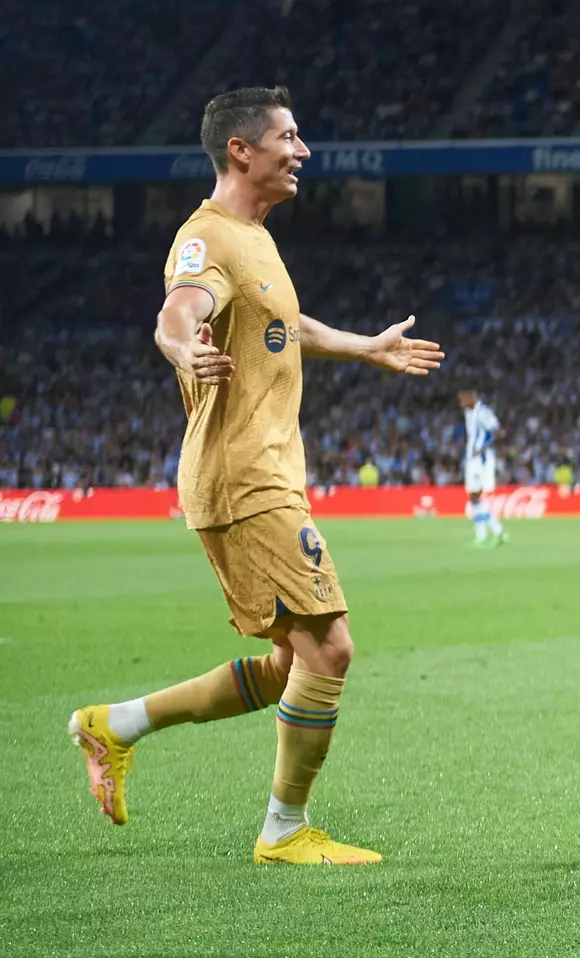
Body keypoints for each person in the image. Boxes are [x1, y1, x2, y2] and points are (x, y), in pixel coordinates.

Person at [67, 86, 444, 865]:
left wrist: (363, 346)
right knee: (330, 650)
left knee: (288, 668)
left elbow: (285, 324)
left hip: (262, 476)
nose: (303, 150)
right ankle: (283, 830)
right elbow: (179, 310)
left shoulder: (257, 239)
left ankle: (116, 722)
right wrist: (183, 348)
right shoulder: (207, 237)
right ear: (242, 149)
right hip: (244, 479)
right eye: (289, 136)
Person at [459, 390, 505, 545]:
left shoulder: (483, 412)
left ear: (472, 396)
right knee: (473, 496)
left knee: (476, 495)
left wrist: (483, 448)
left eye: (463, 398)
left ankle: (486, 535)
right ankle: (495, 532)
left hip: (480, 459)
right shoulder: (468, 412)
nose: (461, 402)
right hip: (472, 459)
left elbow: (499, 432)